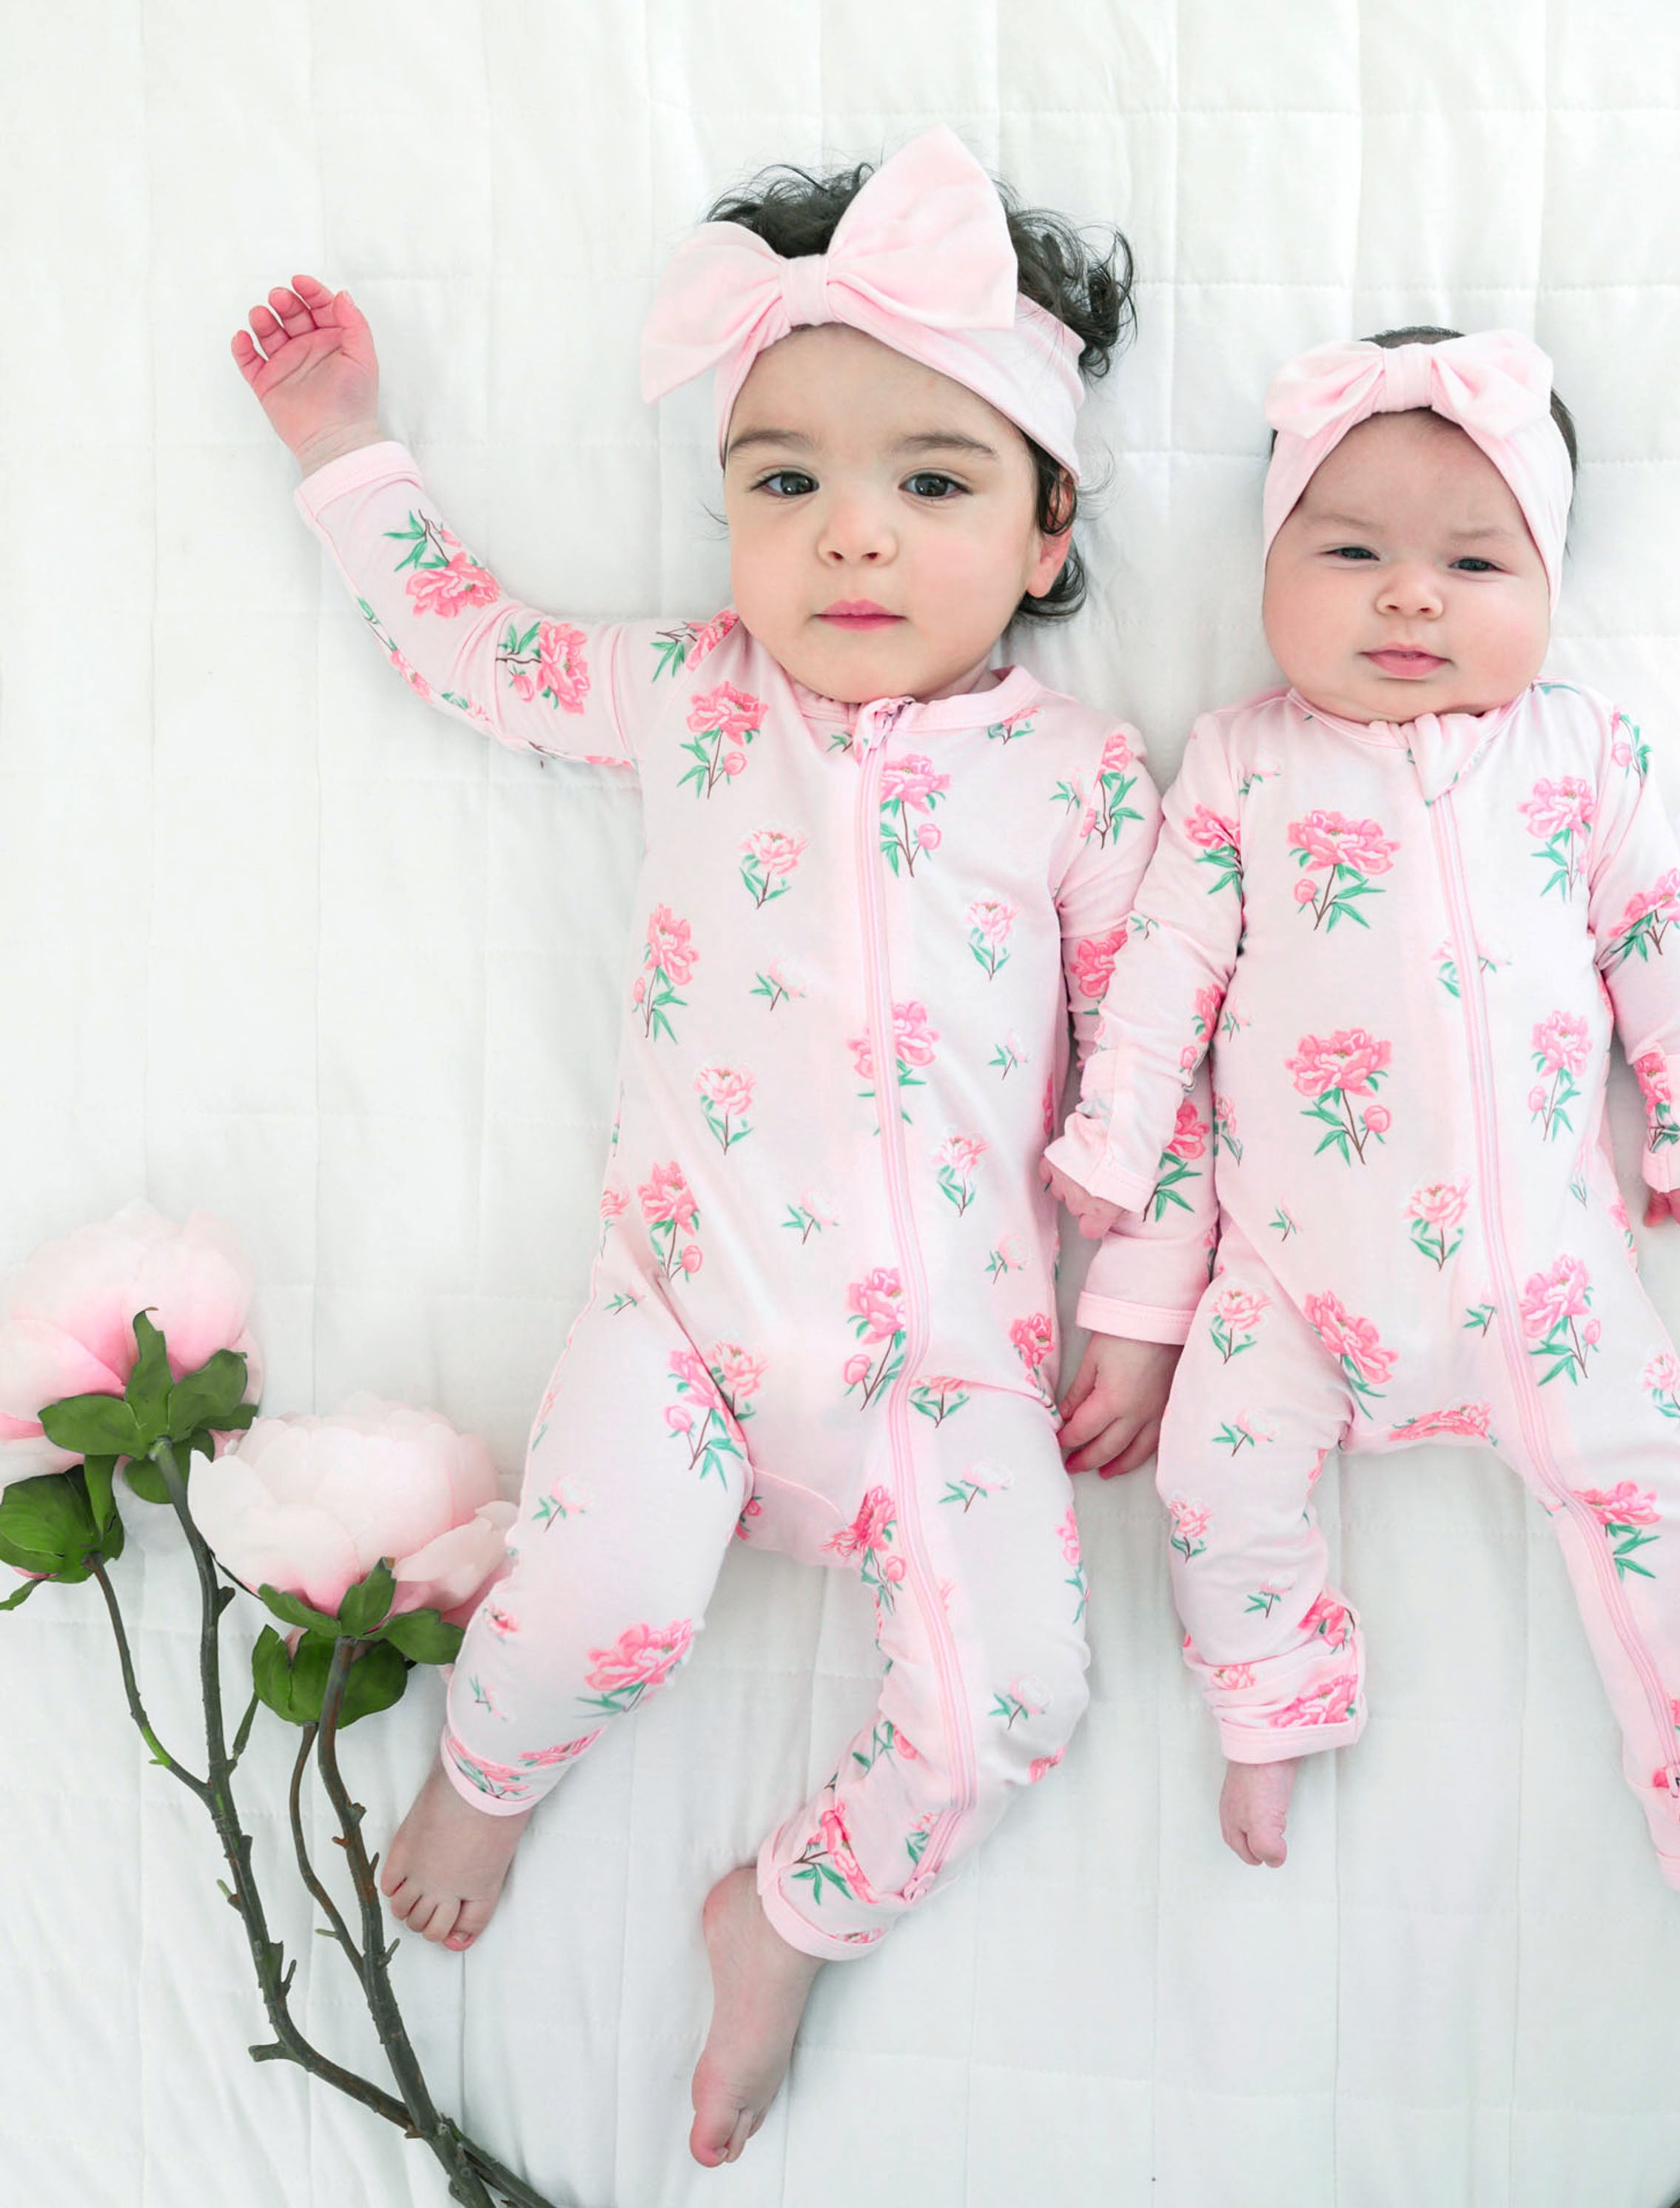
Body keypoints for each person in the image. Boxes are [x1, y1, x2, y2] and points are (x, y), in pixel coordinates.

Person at [232, 124, 1211, 2167]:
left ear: (1046, 538)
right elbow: (470, 647)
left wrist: (1137, 1304)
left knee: (1017, 1705)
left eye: (929, 485)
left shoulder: (1084, 786)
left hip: (954, 1371)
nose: (849, 540)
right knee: (590, 1609)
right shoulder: (690, 700)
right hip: (681, 1321)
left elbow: (1153, 1070)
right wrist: (351, 451)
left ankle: (782, 1914)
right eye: (784, 485)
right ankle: (487, 1778)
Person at [1043, 327, 1680, 1893]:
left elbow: (1653, 938)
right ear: (1270, 575)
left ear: (1546, 593)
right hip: (1291, 1278)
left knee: (1660, 1502)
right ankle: (1270, 1710)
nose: (1410, 596)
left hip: (1549, 1277)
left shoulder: (1579, 754)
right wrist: (1117, 1137)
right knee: (1212, 1487)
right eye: (1350, 552)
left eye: (1475, 562)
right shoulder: (1243, 764)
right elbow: (1167, 968)